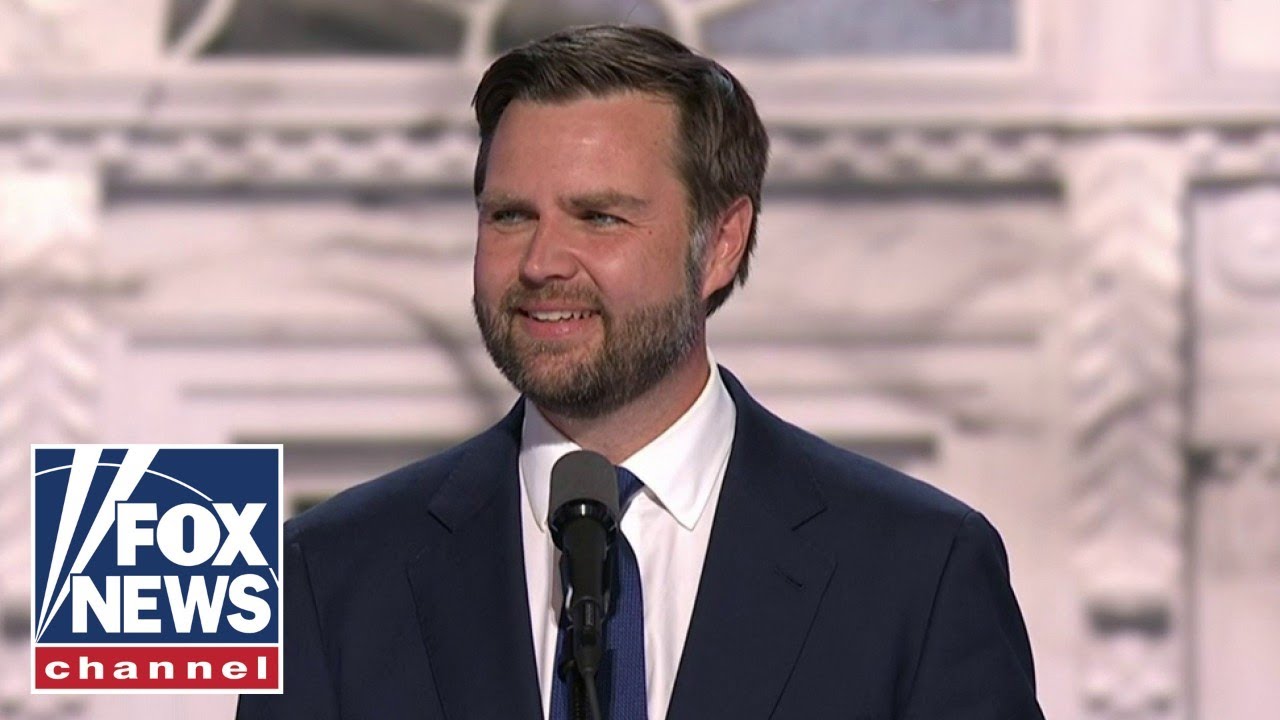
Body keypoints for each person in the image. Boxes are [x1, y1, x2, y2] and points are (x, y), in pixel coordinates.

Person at [237, 24, 1044, 720]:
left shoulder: (918, 571)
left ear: (721, 243)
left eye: (600, 217)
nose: (544, 262)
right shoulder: (326, 576)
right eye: (510, 216)